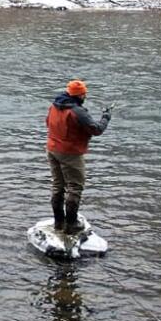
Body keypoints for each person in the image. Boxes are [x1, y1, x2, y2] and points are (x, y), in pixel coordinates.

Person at [46, 79, 111, 234]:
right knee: (75, 188)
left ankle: (58, 222)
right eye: (84, 94)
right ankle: (71, 225)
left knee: (58, 186)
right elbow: (96, 130)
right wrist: (106, 117)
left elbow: (48, 123)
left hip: (52, 149)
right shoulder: (78, 111)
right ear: (81, 95)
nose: (85, 96)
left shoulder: (54, 105)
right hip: (70, 153)